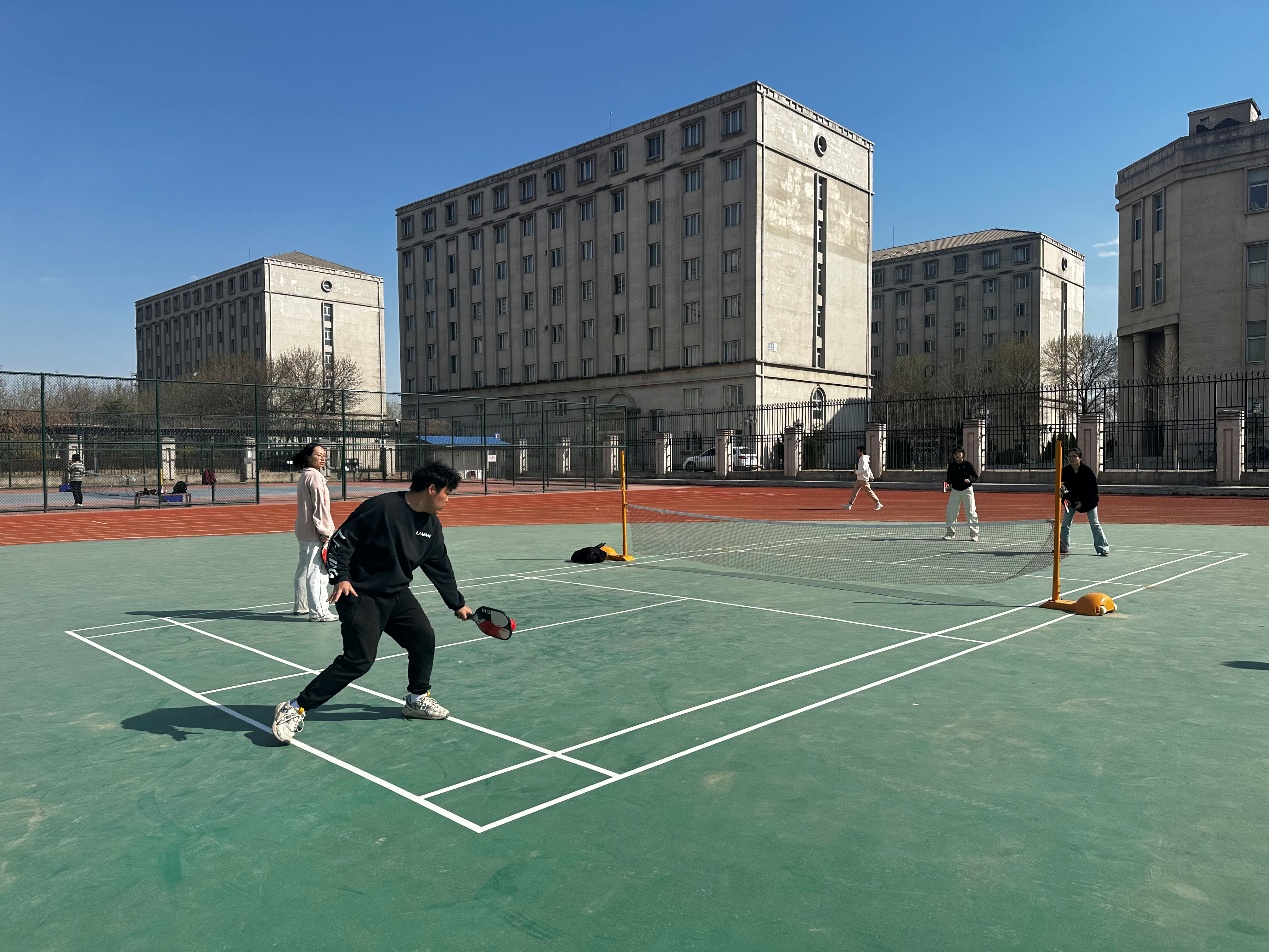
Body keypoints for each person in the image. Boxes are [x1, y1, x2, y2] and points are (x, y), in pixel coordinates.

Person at [272, 461, 474, 744]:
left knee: (423, 638)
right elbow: (340, 542)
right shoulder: (381, 508)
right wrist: (341, 577)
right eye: (447, 493)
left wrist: (457, 604)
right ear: (432, 489)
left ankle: (416, 699)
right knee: (358, 661)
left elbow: (440, 565)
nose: (448, 500)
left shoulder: (431, 525)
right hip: (359, 593)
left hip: (396, 593)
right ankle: (295, 707)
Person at [292, 443, 337, 622]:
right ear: (308, 457)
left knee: (304, 568)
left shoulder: (305, 475)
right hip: (314, 532)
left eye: (324, 455)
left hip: (304, 531)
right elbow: (320, 507)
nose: (322, 458)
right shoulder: (315, 477)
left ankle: (301, 604)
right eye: (318, 455)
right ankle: (319, 612)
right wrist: (325, 531)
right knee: (317, 572)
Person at [1060, 448, 1110, 557]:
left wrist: (1082, 502)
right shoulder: (1064, 472)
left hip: (1089, 502)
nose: (1071, 459)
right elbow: (1062, 489)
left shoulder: (1087, 472)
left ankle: (1103, 548)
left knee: (1095, 524)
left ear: (1080, 458)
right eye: (1069, 457)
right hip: (1071, 502)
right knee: (1065, 525)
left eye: (1074, 456)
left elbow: (1092, 491)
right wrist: (1065, 500)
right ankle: (1063, 547)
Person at [943, 447, 979, 541]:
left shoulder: (968, 465)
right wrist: (946, 485)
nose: (957, 455)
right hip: (955, 491)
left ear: (963, 454)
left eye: (959, 453)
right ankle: (950, 533)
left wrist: (969, 480)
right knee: (951, 512)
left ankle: (974, 534)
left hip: (967, 491)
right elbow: (948, 479)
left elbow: (975, 476)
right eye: (955, 453)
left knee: (971, 512)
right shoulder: (952, 466)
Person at [843, 445, 883, 511]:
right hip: (859, 479)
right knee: (854, 491)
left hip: (863, 479)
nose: (857, 453)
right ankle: (849, 505)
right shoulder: (862, 458)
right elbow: (868, 468)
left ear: (862, 452)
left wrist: (856, 472)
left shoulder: (863, 459)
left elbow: (864, 469)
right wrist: (871, 475)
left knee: (869, 492)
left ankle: (878, 503)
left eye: (858, 451)